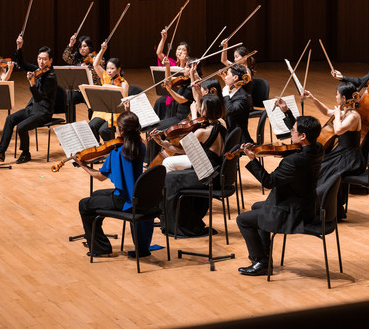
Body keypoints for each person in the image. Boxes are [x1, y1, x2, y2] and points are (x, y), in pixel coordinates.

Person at [236, 106, 323, 276]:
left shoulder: (293, 162)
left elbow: (269, 182)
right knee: (256, 207)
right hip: (305, 205)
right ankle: (265, 258)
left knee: (243, 220)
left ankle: (260, 260)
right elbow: (299, 138)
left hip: (292, 213)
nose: (290, 132)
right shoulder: (318, 148)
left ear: (303, 136)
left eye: (293, 130)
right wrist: (287, 114)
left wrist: (253, 160)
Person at [77, 111, 152, 257]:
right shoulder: (141, 145)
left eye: (117, 127)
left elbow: (100, 177)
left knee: (84, 204)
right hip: (138, 195)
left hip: (124, 200)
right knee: (96, 196)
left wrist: (83, 165)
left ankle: (100, 247)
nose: (115, 129)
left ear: (122, 131)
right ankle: (96, 239)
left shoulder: (118, 152)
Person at [157, 93, 227, 237]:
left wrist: (162, 143)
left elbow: (180, 150)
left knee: (169, 179)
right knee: (173, 177)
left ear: (206, 111)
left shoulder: (202, 132)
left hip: (204, 175)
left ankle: (180, 224)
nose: (200, 109)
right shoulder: (223, 124)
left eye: (202, 107)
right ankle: (180, 219)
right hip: (215, 172)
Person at [302, 84, 365, 220]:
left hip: (350, 157)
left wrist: (337, 116)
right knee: (319, 166)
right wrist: (312, 98)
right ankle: (318, 208)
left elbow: (338, 130)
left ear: (343, 98)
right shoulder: (345, 113)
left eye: (337, 95)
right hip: (341, 153)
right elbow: (326, 112)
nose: (336, 97)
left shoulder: (353, 116)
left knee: (325, 171)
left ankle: (327, 210)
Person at [0, 36, 57, 164]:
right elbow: (22, 64)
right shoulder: (38, 70)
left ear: (50, 61)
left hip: (43, 112)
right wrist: (19, 47)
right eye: (39, 58)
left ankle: (26, 153)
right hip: (32, 109)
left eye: (44, 59)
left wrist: (32, 84)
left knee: (21, 127)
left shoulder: (51, 77)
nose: (41, 62)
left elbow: (38, 98)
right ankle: (1, 151)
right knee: (10, 119)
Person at [87, 41, 129, 143]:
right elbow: (95, 64)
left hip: (116, 113)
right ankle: (98, 148)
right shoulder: (105, 76)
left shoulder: (123, 84)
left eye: (112, 68)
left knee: (103, 130)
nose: (109, 71)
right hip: (103, 111)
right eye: (107, 68)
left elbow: (122, 104)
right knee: (91, 126)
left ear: (118, 69)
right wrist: (102, 50)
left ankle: (111, 147)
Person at [154, 30, 191, 119]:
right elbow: (159, 53)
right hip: (170, 94)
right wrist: (163, 39)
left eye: (183, 50)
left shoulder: (189, 66)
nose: (180, 51)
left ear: (187, 53)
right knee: (159, 102)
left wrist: (183, 61)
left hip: (181, 96)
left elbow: (182, 77)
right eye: (178, 49)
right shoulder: (171, 62)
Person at [222, 63, 253, 144]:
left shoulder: (242, 97)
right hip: (227, 133)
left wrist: (225, 94)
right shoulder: (231, 92)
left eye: (227, 74)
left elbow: (230, 111)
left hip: (238, 140)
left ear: (235, 78)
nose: (225, 77)